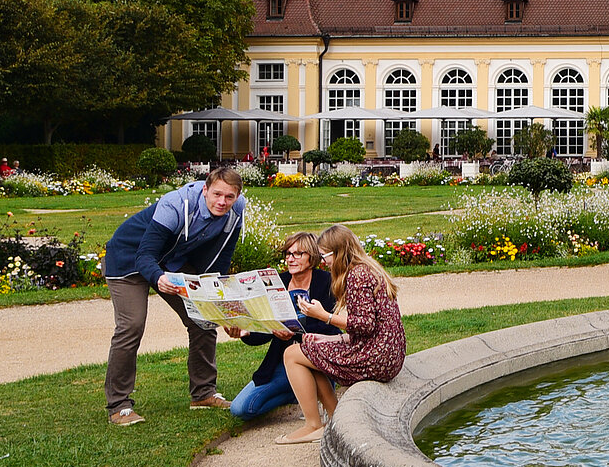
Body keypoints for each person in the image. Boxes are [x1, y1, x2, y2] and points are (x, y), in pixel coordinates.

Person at [101, 164, 249, 426]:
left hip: (172, 262)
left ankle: (203, 393)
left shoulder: (236, 211)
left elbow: (220, 260)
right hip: (129, 260)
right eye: (217, 194)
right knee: (131, 325)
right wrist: (158, 278)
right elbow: (145, 254)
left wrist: (218, 307)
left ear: (237, 196)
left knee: (202, 318)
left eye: (229, 196)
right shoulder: (176, 204)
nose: (222, 201)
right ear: (205, 190)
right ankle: (119, 405)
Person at [276, 224, 406, 445]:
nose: (323, 261)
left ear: (338, 252)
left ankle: (313, 425)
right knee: (310, 349)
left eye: (324, 255)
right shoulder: (368, 269)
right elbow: (374, 329)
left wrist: (323, 315)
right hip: (389, 355)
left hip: (376, 359)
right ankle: (334, 416)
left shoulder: (357, 276)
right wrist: (330, 338)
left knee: (291, 354)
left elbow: (364, 325)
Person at [226, 231, 332, 421]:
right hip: (282, 360)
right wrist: (246, 332)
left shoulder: (326, 281)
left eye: (298, 254)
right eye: (288, 254)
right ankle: (296, 392)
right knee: (241, 409)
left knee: (244, 407)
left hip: (315, 357)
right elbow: (266, 329)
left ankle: (310, 388)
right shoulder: (277, 282)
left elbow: (331, 328)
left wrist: (295, 332)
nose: (290, 259)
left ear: (312, 256)